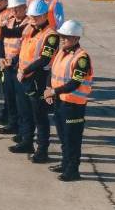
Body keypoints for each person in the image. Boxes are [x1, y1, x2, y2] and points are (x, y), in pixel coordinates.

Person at [7, 0, 59, 163]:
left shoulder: (51, 36)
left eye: (36, 17)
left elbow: (44, 59)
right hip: (23, 77)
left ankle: (42, 150)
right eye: (31, 17)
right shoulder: (29, 27)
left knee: (40, 116)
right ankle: (26, 141)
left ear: (44, 16)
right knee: (24, 112)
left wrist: (25, 70)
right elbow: (18, 41)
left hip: (38, 78)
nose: (33, 20)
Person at [44, 20, 93, 182]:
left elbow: (75, 83)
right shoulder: (61, 52)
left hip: (74, 105)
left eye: (66, 37)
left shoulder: (82, 58)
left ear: (76, 38)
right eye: (62, 36)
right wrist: (48, 89)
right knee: (63, 136)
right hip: (61, 101)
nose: (63, 39)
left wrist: (54, 91)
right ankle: (65, 163)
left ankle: (73, 170)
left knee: (72, 139)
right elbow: (52, 72)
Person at [0, 0, 27, 135]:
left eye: (17, 8)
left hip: (20, 67)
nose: (14, 11)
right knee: (9, 97)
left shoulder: (28, 24)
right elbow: (0, 41)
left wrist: (13, 61)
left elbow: (27, 49)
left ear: (25, 7)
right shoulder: (9, 21)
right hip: (7, 66)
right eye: (12, 8)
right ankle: (12, 123)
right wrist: (0, 57)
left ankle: (22, 128)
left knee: (21, 100)